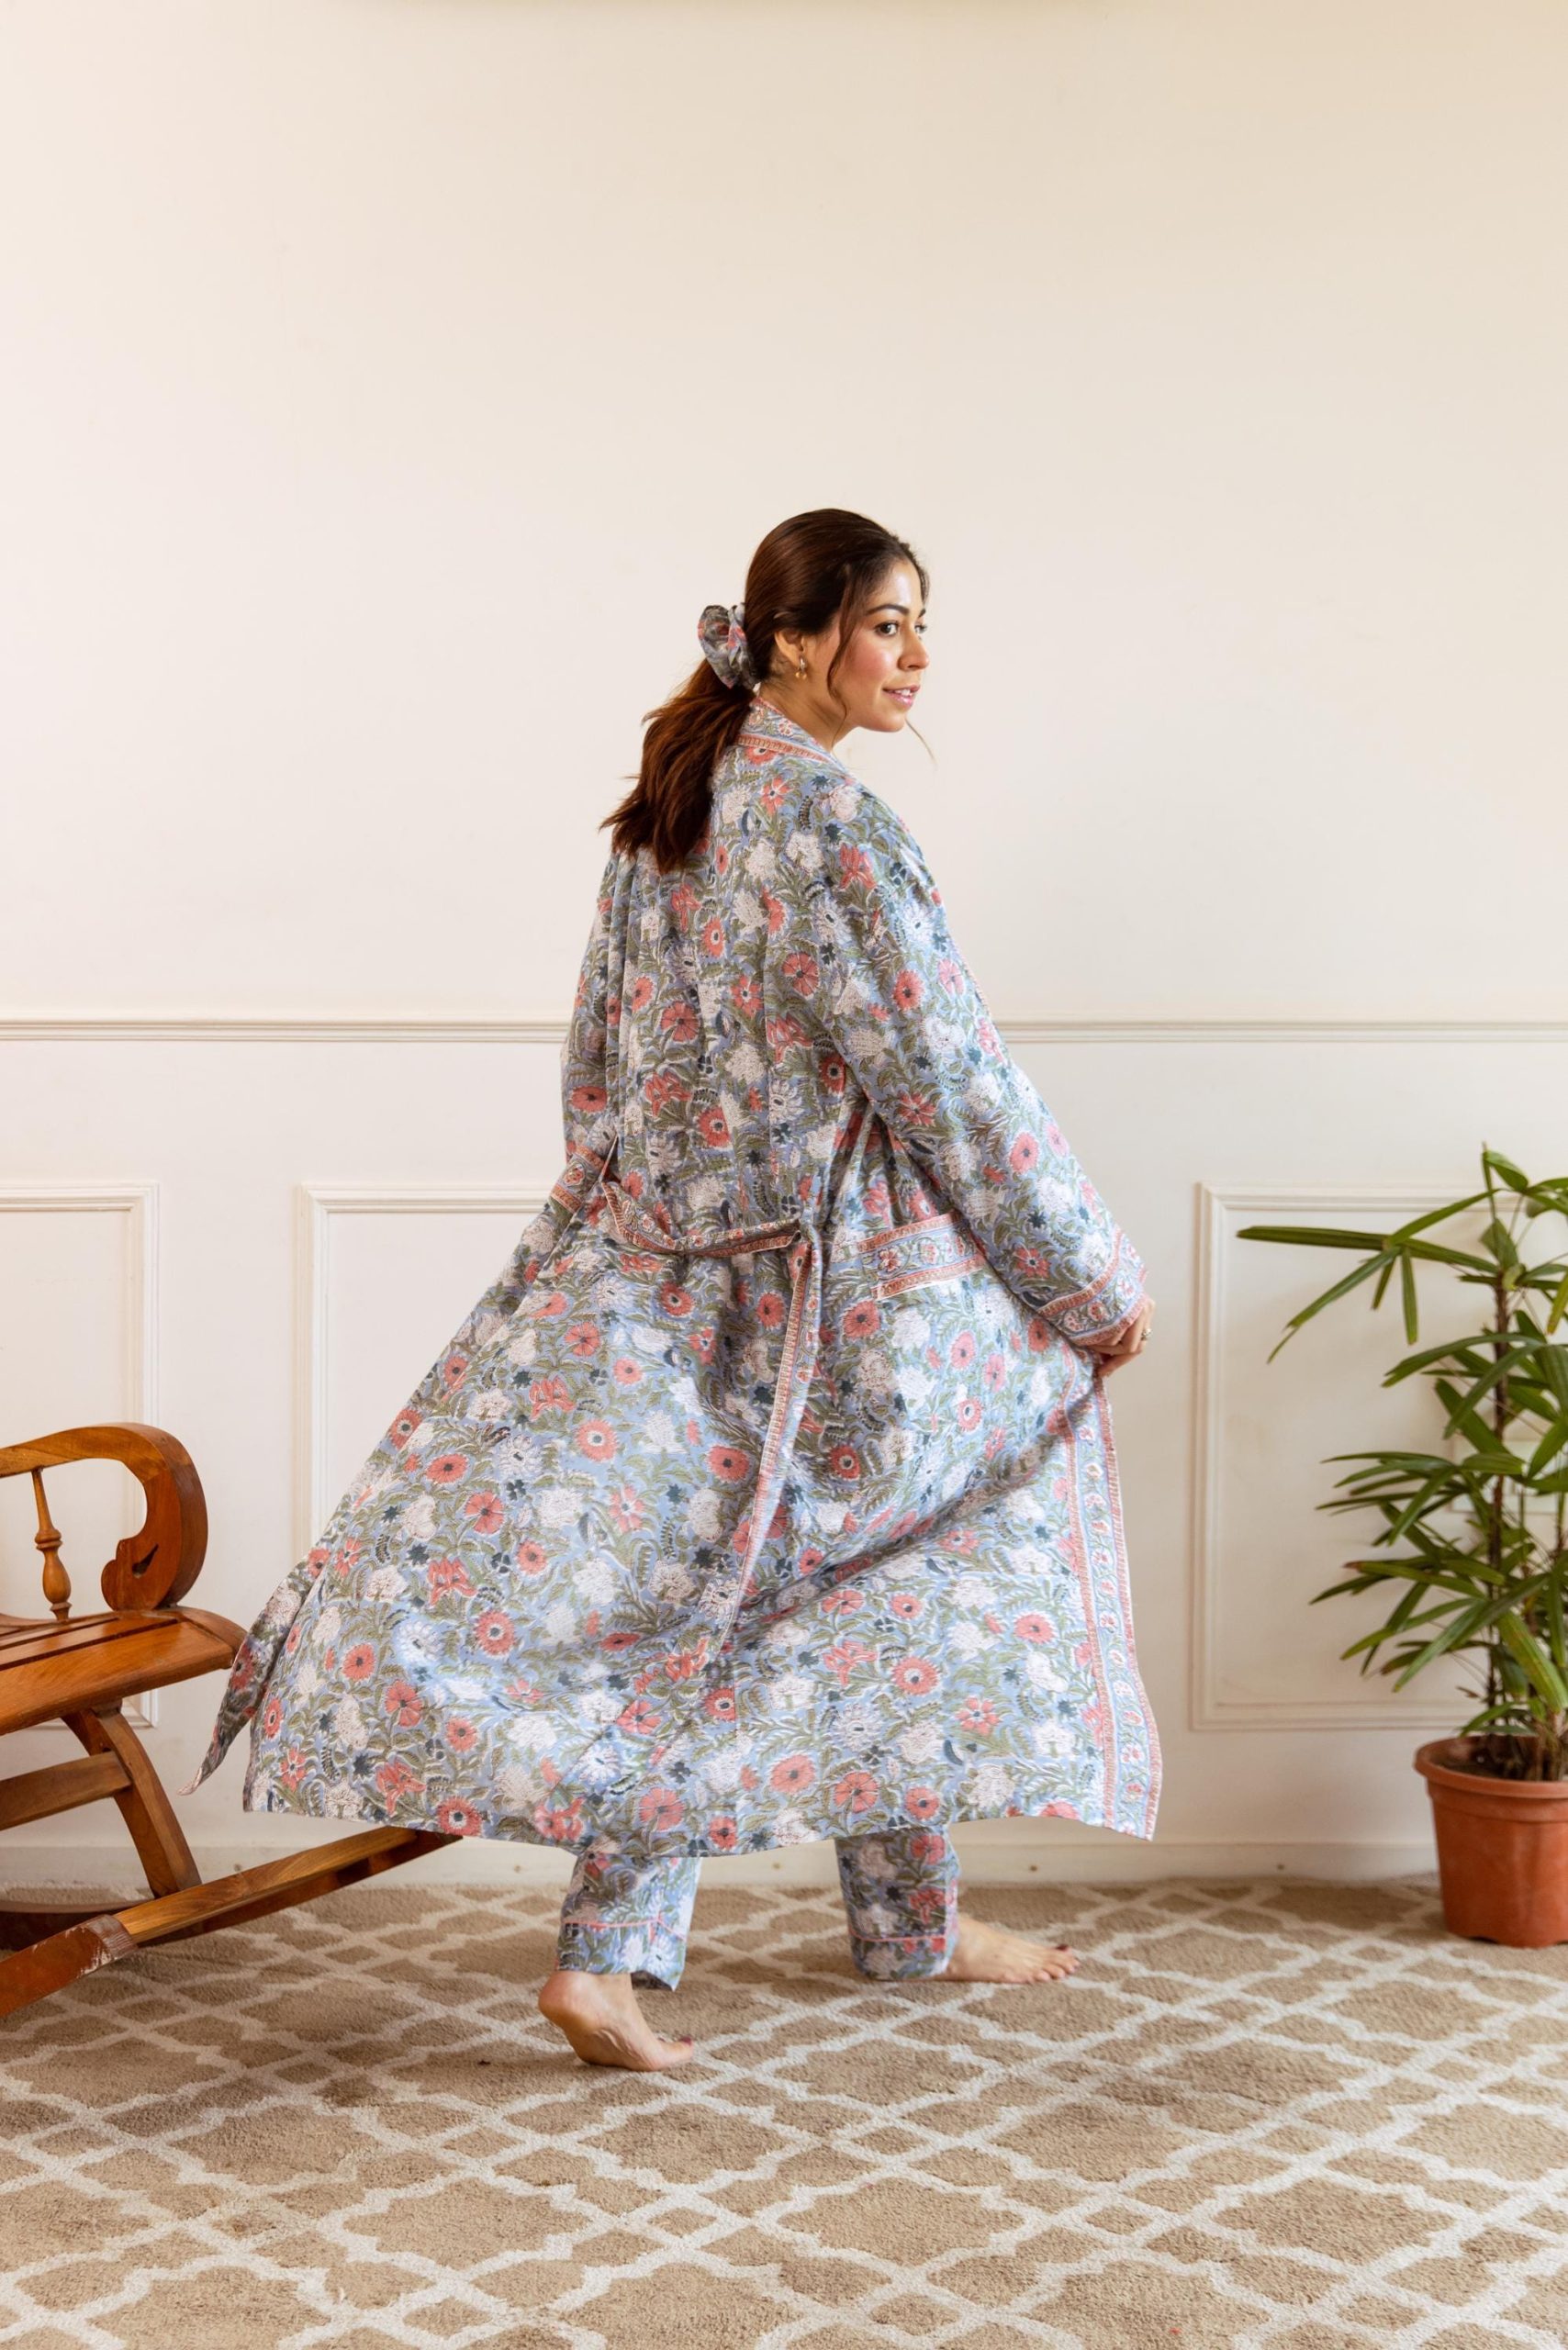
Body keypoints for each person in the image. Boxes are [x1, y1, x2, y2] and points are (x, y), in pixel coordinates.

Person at [187, 508, 1160, 2072]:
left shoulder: (672, 813)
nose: (917, 656)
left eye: (922, 624)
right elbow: (951, 1084)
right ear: (797, 639)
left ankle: (906, 1919)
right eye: (889, 623)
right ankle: (610, 1958)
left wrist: (643, 1235)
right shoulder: (834, 828)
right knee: (795, 1599)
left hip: (675, 1269)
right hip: (843, 1301)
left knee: (845, 1585)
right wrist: (1088, 1276)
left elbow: (598, 1068)